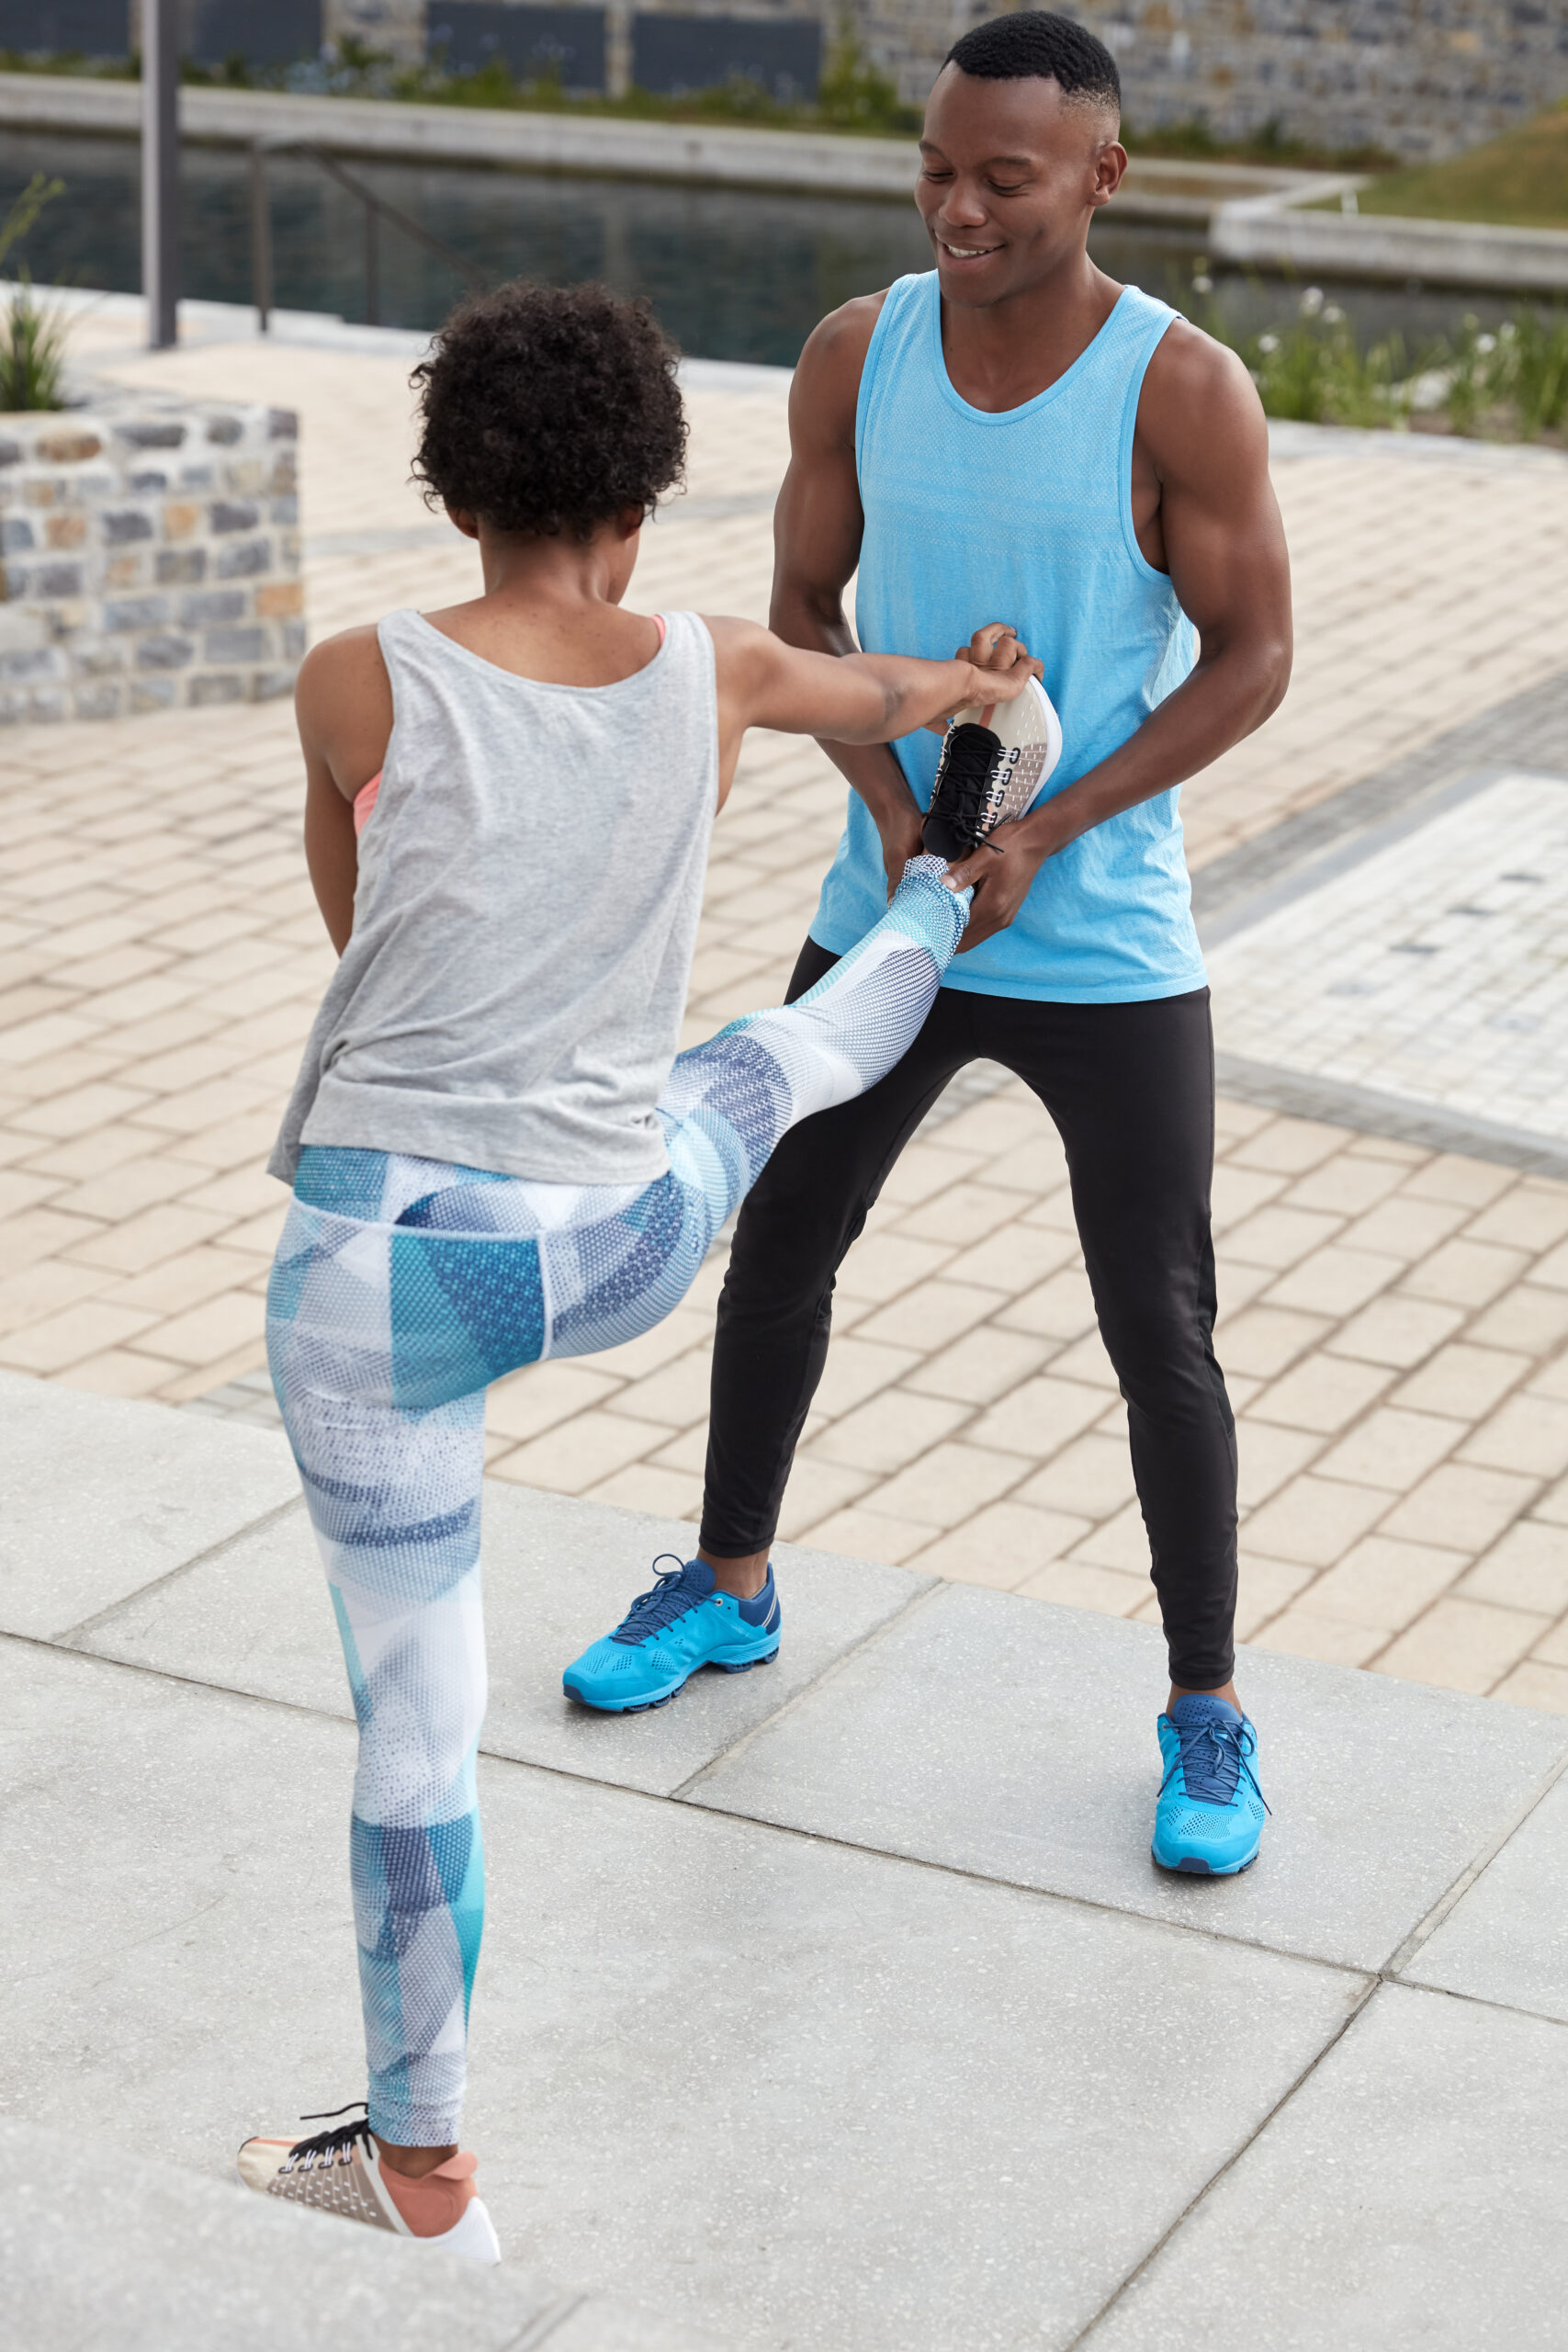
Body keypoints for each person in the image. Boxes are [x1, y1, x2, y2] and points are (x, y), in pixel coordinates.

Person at [236, 277, 1042, 2260]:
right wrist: (974, 694)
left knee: (420, 1724)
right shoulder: (720, 665)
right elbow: (900, 691)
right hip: (611, 1239)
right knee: (775, 1062)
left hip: (384, 1281)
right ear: (643, 495)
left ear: (452, 496)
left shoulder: (355, 675)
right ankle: (943, 900)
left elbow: (364, 929)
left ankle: (418, 2166)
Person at [566, 12, 1289, 1882]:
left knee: (1159, 1321)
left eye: (1001, 179)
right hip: (887, 905)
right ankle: (729, 1583)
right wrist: (898, 816)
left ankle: (1203, 1705)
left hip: (1100, 934)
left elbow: (1252, 656)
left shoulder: (1177, 389)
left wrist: (1045, 826)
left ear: (1099, 178)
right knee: (778, 1244)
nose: (955, 208)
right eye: (934, 171)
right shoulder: (852, 353)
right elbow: (799, 605)